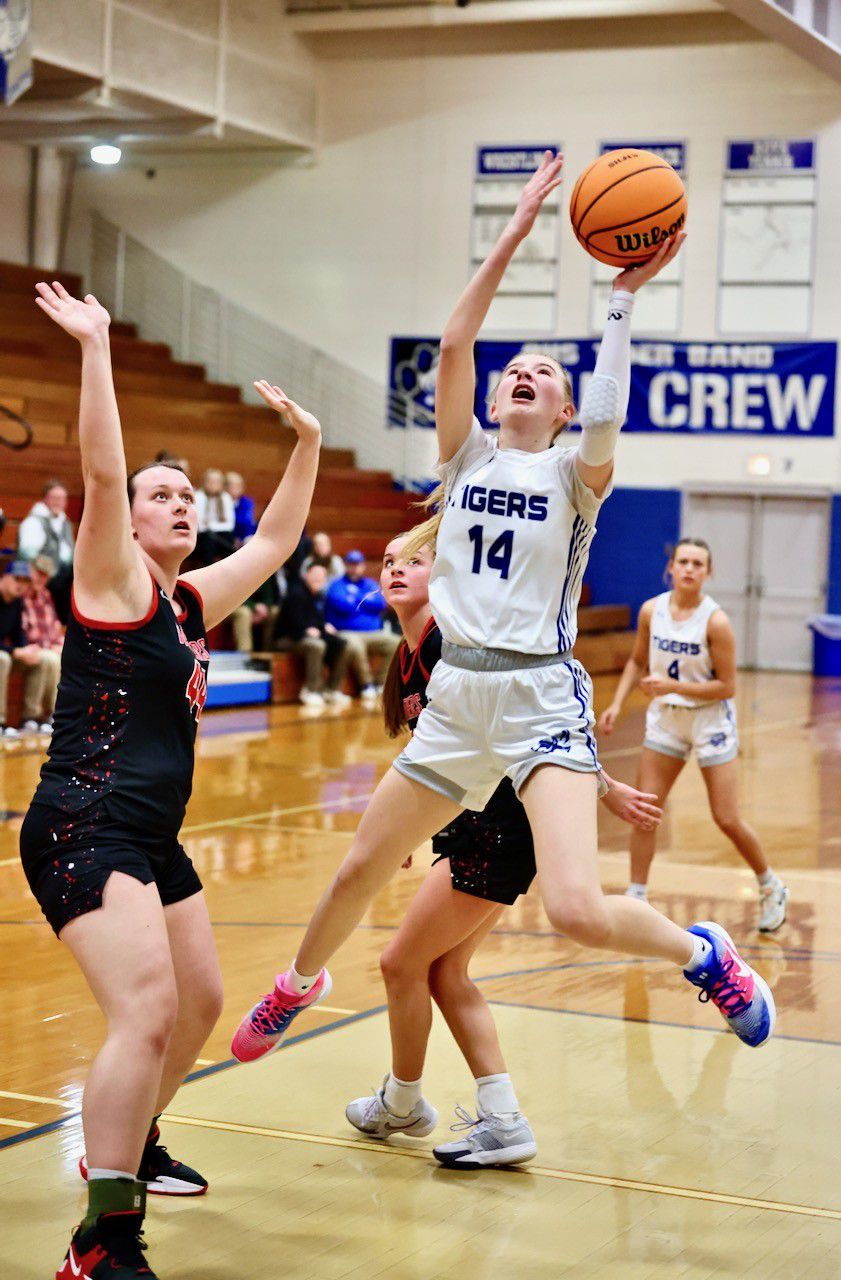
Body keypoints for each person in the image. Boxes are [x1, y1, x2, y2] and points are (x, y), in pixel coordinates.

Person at [232, 152, 775, 1076]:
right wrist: (517, 229)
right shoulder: (467, 459)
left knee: (576, 909)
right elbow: (454, 343)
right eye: (514, 369)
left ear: (561, 408)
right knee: (361, 863)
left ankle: (705, 956)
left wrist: (622, 300)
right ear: (493, 400)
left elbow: (608, 413)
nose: (525, 373)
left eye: (544, 372)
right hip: (457, 696)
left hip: (539, 696)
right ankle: (296, 983)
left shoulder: (574, 475)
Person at [23, 280, 322, 1280]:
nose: (179, 503)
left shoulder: (189, 602)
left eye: (187, 496)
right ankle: (100, 1237)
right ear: (132, 519)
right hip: (84, 822)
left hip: (149, 835)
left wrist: (308, 444)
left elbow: (274, 542)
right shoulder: (109, 581)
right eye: (162, 495)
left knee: (199, 1001)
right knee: (146, 1011)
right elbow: (101, 476)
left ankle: (132, 1138)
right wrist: (96, 346)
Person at [343, 527, 664, 1167]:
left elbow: (533, 725)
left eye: (415, 560)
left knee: (400, 964)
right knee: (443, 972)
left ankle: (403, 1102)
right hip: (474, 819)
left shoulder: (454, 643)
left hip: (503, 823)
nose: (396, 569)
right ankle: (502, 1119)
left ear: (446, 573)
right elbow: (434, 750)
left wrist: (600, 786)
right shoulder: (407, 656)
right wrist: (403, 824)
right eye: (388, 561)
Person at [599, 537, 789, 932]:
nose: (689, 569)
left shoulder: (715, 622)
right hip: (667, 719)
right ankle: (637, 898)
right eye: (683, 561)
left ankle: (771, 886)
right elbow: (637, 660)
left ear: (708, 572)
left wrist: (674, 687)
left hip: (709, 720)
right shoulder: (652, 611)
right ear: (671, 568)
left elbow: (727, 686)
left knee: (726, 817)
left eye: (697, 564)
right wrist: (617, 702)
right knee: (645, 810)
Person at [325, 549, 399, 701]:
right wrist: (365, 601)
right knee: (355, 644)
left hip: (374, 633)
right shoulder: (336, 585)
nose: (354, 568)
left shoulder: (370, 584)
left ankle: (381, 683)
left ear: (362, 566)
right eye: (351, 564)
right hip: (346, 632)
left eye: (357, 564)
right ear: (346, 565)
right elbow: (343, 605)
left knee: (396, 642)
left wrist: (355, 596)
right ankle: (367, 685)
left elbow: (380, 604)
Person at [273, 561, 350, 707]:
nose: (318, 579)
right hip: (287, 638)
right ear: (306, 575)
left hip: (306, 636)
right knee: (317, 646)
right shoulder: (296, 593)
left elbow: (315, 621)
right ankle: (310, 690)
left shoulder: (317, 596)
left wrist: (324, 626)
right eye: (315, 575)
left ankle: (332, 689)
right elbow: (293, 623)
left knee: (342, 644)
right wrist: (306, 630)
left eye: (322, 576)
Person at [1, 559, 58, 738]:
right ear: (4, 577)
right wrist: (15, 651)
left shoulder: (16, 602)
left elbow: (18, 634)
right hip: (5, 654)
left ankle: (32, 719)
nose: (20, 585)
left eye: (25, 581)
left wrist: (27, 650)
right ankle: (1, 723)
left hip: (9, 653)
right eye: (16, 579)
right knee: (2, 658)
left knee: (42, 659)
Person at [17, 478, 75, 622]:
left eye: (61, 499)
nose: (58, 502)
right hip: (42, 581)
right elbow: (27, 554)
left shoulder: (66, 523)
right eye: (54, 498)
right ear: (45, 499)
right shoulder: (34, 521)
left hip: (64, 582)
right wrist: (46, 573)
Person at [20, 553, 64, 734]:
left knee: (61, 656)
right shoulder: (21, 594)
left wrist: (61, 644)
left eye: (45, 576)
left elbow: (54, 627)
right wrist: (48, 646)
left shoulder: (45, 595)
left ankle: (54, 715)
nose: (41, 578)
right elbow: (23, 631)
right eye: (38, 573)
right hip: (29, 648)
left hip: (45, 647)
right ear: (30, 570)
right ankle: (33, 716)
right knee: (50, 658)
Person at [194, 468, 235, 565]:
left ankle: (229, 568)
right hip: (202, 537)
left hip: (220, 536)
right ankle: (208, 568)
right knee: (208, 538)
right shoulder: (198, 496)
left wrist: (211, 527)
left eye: (217, 481)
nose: (213, 484)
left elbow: (229, 525)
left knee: (228, 536)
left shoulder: (226, 497)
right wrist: (210, 529)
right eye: (210, 481)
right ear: (204, 482)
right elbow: (199, 525)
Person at [226, 471, 257, 546]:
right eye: (233, 486)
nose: (236, 489)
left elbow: (246, 521)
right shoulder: (223, 501)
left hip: (246, 535)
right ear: (225, 487)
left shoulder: (246, 501)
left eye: (239, 486)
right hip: (228, 535)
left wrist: (240, 537)